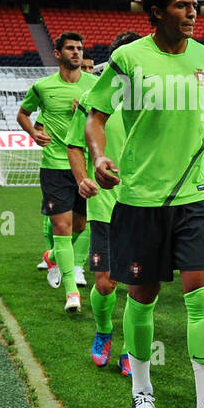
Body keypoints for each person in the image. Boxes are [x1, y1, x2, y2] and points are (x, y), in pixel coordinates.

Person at [83, 0, 204, 408]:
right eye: (183, 6)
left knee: (201, 293)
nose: (192, 13)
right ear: (157, 11)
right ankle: (142, 393)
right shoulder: (129, 60)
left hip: (192, 198)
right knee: (142, 296)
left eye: (196, 6)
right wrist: (99, 154)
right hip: (140, 199)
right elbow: (96, 116)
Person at [67, 30, 141, 376]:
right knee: (105, 283)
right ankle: (104, 331)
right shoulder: (94, 95)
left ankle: (132, 348)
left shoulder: (154, 97)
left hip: (144, 203)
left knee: (140, 285)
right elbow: (74, 143)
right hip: (105, 204)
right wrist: (83, 177)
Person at [18, 31, 96, 308]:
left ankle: (53, 255)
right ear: (57, 53)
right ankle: (71, 292)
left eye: (79, 48)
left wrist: (88, 114)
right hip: (54, 165)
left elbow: (106, 123)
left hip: (84, 168)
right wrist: (33, 134)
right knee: (61, 227)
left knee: (79, 226)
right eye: (71, 48)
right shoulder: (42, 87)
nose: (76, 52)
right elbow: (23, 114)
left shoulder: (95, 86)